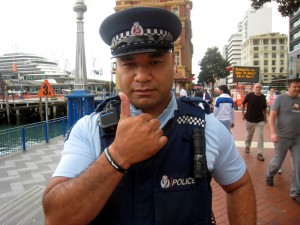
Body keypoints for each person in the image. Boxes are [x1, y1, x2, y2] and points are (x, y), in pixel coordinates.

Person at [42, 7, 256, 225]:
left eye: (154, 62)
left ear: (172, 65)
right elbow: (56, 217)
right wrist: (116, 156)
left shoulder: (207, 127)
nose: (142, 76)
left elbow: (239, 185)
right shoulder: (89, 130)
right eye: (129, 63)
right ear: (117, 69)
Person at [265, 78, 300, 204]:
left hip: (297, 138)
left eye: (299, 86)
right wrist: (273, 133)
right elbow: (272, 116)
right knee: (278, 162)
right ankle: (269, 174)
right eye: (295, 86)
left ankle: (295, 192)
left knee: (299, 164)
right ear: (288, 87)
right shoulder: (280, 99)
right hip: (282, 137)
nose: (297, 88)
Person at [241, 83, 267, 161]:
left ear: (261, 88)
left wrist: (265, 117)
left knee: (260, 136)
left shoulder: (263, 97)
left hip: (260, 120)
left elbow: (265, 108)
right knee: (249, 134)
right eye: (257, 87)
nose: (258, 88)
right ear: (254, 88)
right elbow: (243, 104)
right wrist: (243, 114)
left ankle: (260, 153)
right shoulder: (249, 95)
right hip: (250, 119)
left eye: (259, 87)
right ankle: (247, 146)